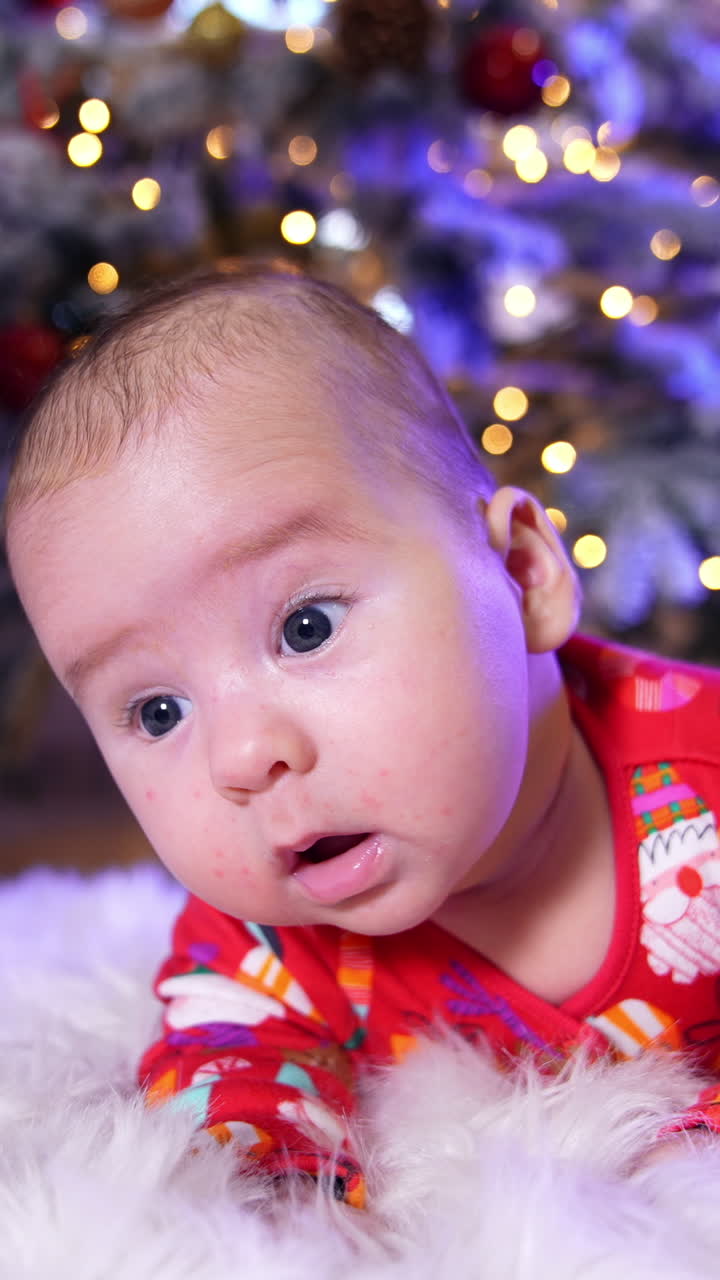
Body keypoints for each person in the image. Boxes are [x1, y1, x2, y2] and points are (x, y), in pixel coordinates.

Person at [5, 265, 720, 1210]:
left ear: (520, 573)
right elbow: (231, 1066)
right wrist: (263, 1191)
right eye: (158, 712)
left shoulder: (702, 779)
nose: (240, 758)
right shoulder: (267, 941)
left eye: (306, 628)